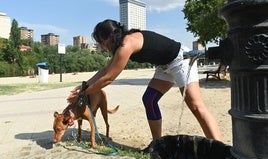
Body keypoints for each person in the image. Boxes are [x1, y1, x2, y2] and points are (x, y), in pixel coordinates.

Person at [67, 19, 222, 145]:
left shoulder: (126, 44)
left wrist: (83, 94)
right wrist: (83, 86)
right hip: (164, 66)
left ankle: (220, 150)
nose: (101, 46)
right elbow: (104, 71)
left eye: (101, 41)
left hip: (179, 60)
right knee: (149, 99)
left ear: (109, 37)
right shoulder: (121, 44)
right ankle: (157, 145)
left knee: (196, 106)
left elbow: (108, 78)